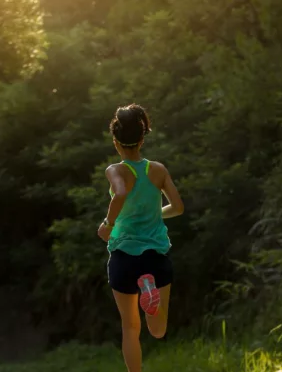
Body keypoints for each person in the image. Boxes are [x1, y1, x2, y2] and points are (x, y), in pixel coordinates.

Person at [97, 103, 184, 372]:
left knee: (129, 328)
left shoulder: (115, 170)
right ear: (142, 139)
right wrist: (156, 214)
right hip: (156, 257)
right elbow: (178, 207)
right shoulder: (157, 170)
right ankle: (149, 289)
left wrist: (107, 224)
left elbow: (121, 193)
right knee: (157, 330)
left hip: (124, 256)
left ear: (115, 142)